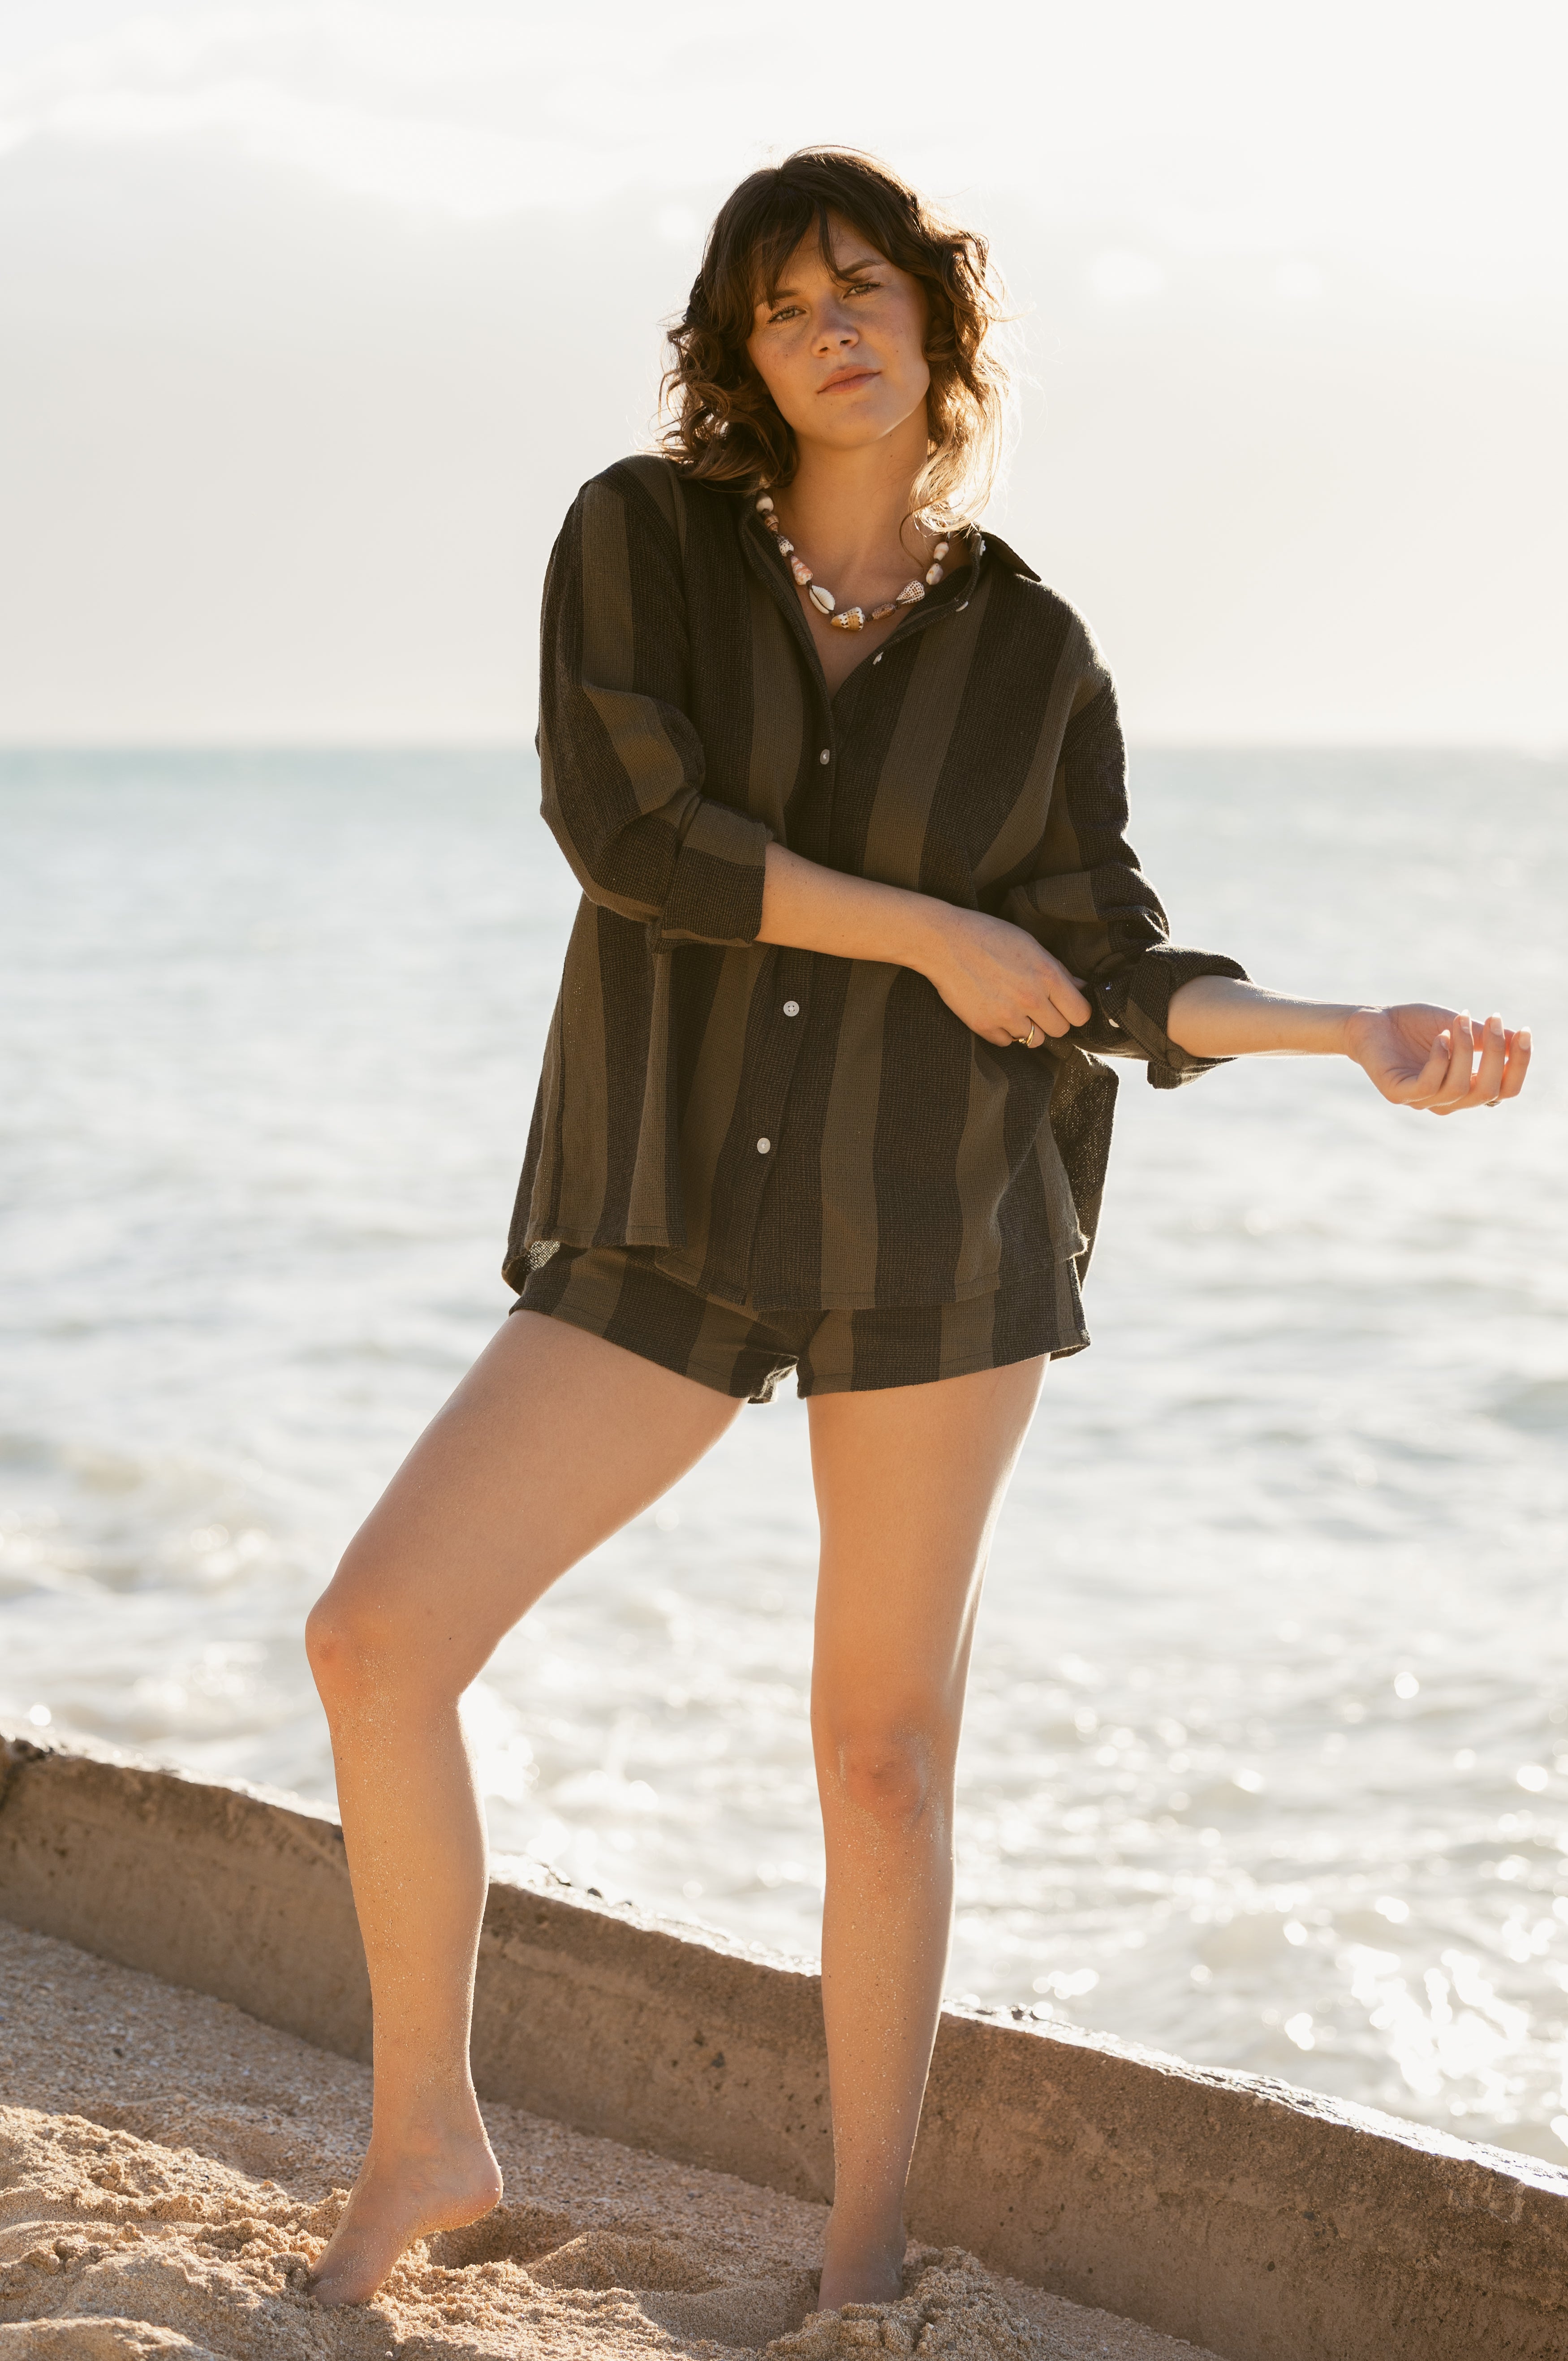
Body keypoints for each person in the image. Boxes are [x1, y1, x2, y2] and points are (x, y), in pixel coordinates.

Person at [302, 149, 1531, 2311]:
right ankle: (431, 2137)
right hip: (671, 1202)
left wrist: (1351, 1029)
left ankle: (861, 2262)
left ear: (938, 331)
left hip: (940, 1220)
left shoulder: (1032, 648)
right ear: (738, 355)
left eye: (866, 287)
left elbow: (1104, 967)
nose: (833, 325)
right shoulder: (643, 541)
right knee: (376, 1639)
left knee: (879, 1758)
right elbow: (633, 836)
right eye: (785, 305)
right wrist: (933, 931)